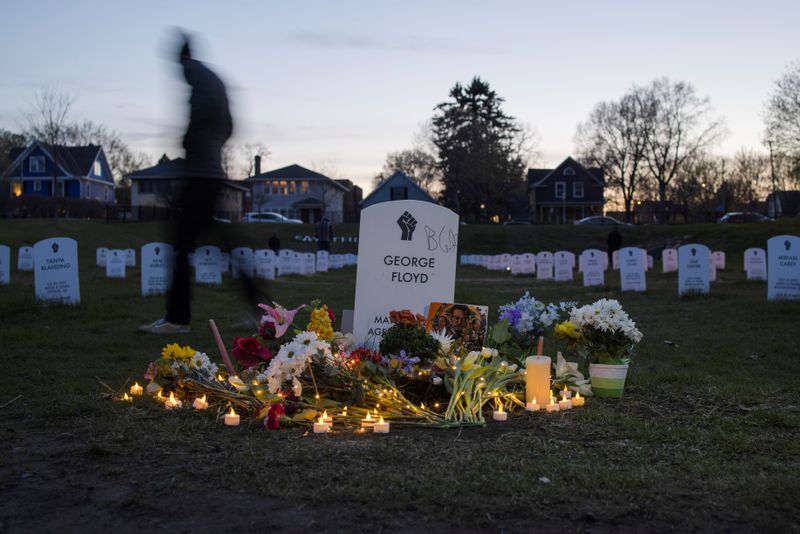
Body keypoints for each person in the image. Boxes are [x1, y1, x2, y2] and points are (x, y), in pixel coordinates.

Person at [140, 33, 265, 334]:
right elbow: (229, 126)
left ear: (180, 58)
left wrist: (191, 145)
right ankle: (260, 308)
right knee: (225, 242)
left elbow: (198, 121)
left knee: (181, 245)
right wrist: (214, 147)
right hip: (211, 172)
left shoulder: (194, 76)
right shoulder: (212, 78)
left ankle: (177, 318)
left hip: (199, 173)